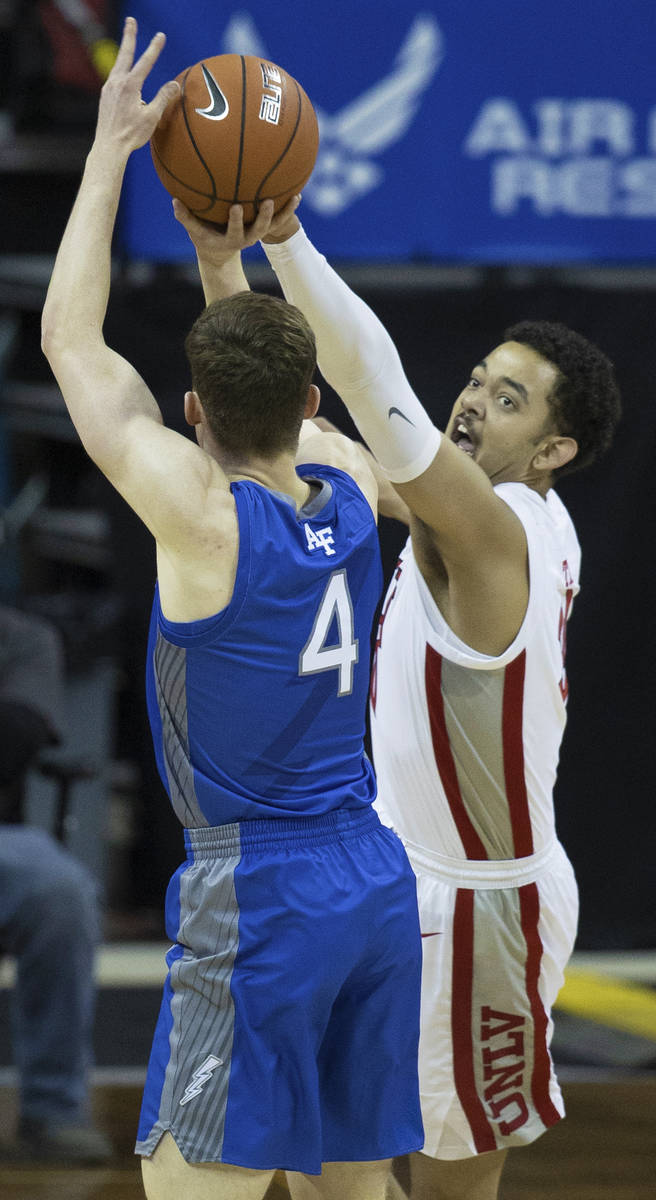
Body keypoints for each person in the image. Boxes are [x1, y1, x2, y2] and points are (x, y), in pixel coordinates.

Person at [172, 185, 621, 1200]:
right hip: (381, 876)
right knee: (329, 1152)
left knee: (448, 1183)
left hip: (479, 907)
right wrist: (217, 272)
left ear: (552, 452)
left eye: (507, 399)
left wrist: (284, 239)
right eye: (477, 378)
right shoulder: (442, 515)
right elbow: (270, 419)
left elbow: (375, 390)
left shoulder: (502, 535)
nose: (470, 400)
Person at [41, 19, 424, 1200]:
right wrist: (228, 260)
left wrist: (111, 154)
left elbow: (69, 339)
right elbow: (268, 382)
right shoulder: (355, 484)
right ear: (309, 398)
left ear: (191, 411)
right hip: (370, 873)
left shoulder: (196, 516)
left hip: (256, 888)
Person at [0, 604, 111, 1164]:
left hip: (3, 844)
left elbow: (13, 740)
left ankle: (53, 1109)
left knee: (59, 892)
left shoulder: (22, 639)